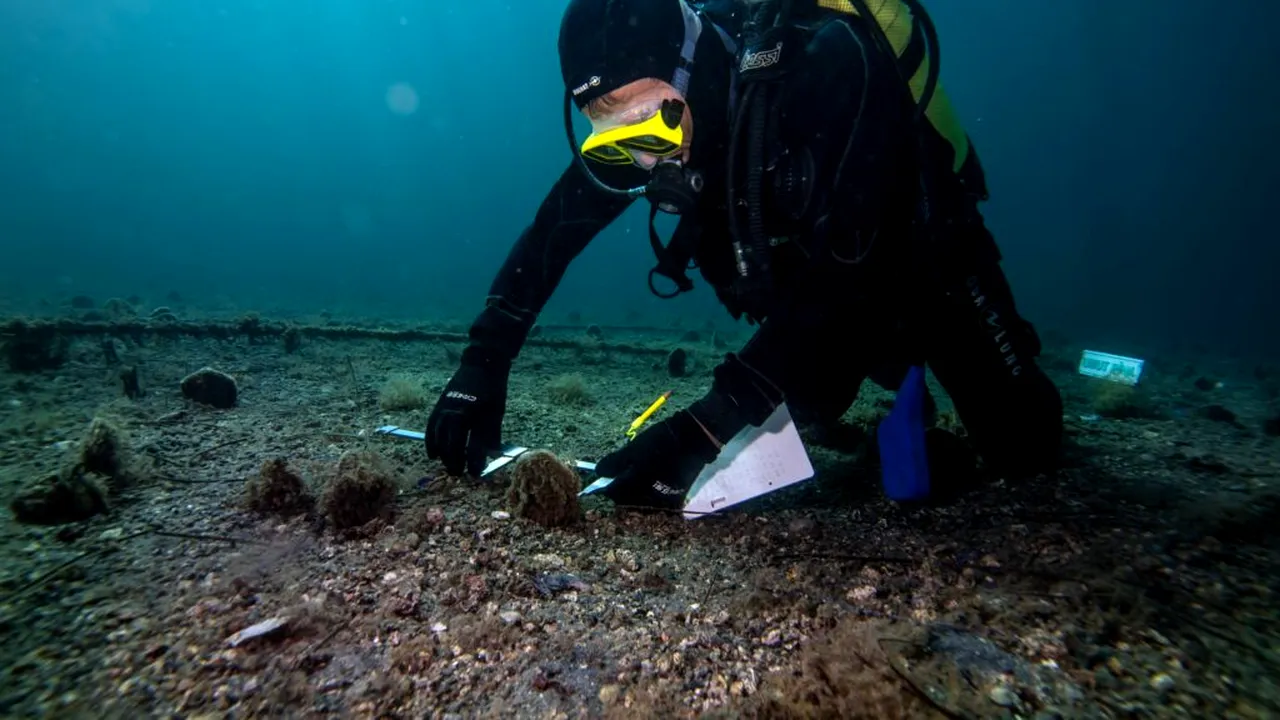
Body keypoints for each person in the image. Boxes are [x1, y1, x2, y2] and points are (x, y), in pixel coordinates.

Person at [426, 0, 1064, 509]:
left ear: (691, 69)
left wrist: (703, 429)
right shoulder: (654, 126)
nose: (645, 164)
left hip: (920, 276)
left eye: (648, 131)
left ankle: (937, 389)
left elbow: (851, 273)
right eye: (611, 143)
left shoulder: (827, 66)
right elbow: (552, 233)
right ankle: (899, 404)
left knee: (1026, 446)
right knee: (811, 403)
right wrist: (483, 365)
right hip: (812, 322)